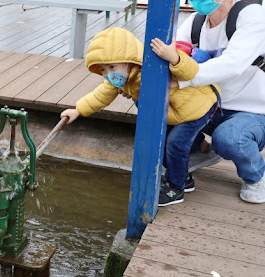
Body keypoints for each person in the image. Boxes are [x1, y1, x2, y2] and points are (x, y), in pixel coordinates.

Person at [61, 27, 220, 206]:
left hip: (198, 108)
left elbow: (190, 71)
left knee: (175, 144)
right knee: (161, 143)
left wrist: (174, 58)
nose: (109, 74)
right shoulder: (123, 78)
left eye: (112, 66)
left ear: (130, 61)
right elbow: (101, 95)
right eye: (103, 70)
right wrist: (78, 110)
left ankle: (176, 188)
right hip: (174, 113)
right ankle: (183, 177)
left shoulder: (154, 66)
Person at [163, 0, 265, 204]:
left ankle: (256, 176)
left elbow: (232, 65)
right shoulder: (196, 22)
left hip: (251, 112)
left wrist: (183, 80)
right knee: (157, 109)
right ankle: (193, 157)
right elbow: (173, 51)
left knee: (229, 138)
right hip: (210, 106)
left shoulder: (252, 17)